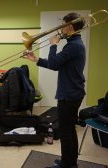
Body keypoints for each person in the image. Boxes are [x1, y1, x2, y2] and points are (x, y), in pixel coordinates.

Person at [25, 12, 86, 168]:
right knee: (69, 130)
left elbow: (53, 64)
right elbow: (57, 64)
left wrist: (53, 44)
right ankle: (70, 162)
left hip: (69, 95)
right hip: (73, 93)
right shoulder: (74, 44)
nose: (61, 28)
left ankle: (67, 164)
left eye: (63, 25)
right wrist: (36, 59)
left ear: (69, 26)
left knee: (66, 132)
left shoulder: (73, 46)